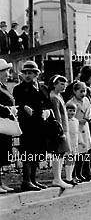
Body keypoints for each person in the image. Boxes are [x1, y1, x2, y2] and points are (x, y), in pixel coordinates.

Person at [13, 61, 51, 191]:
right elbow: (17, 103)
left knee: (38, 151)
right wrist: (24, 107)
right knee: (28, 152)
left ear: (36, 74)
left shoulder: (42, 88)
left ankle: (34, 179)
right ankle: (26, 180)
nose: (28, 76)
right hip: (27, 124)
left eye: (31, 73)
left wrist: (47, 111)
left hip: (40, 124)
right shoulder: (19, 88)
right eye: (25, 73)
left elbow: (48, 103)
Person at [47, 75, 72, 189]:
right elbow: (57, 116)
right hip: (59, 129)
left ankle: (58, 178)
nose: (64, 86)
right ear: (54, 84)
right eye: (61, 84)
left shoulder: (59, 96)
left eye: (64, 84)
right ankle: (57, 178)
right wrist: (60, 130)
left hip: (63, 128)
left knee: (61, 153)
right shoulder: (54, 97)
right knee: (58, 153)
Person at [66, 81, 91, 182]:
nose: (83, 94)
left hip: (85, 127)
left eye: (84, 91)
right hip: (75, 129)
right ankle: (74, 174)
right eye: (81, 91)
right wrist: (78, 121)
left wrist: (88, 118)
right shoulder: (71, 103)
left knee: (85, 151)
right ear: (74, 91)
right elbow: (68, 117)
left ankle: (81, 172)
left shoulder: (86, 100)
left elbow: (89, 112)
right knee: (76, 153)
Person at [0, 59, 15, 192]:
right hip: (1, 121)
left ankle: (0, 183)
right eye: (6, 71)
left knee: (2, 153)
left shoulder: (2, 86)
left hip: (5, 123)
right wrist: (8, 109)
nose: (8, 74)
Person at [65, 102, 80, 185]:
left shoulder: (76, 121)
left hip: (75, 143)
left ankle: (71, 176)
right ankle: (68, 177)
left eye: (73, 111)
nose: (72, 113)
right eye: (70, 111)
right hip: (68, 142)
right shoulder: (65, 121)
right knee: (69, 159)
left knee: (73, 160)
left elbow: (77, 132)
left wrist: (80, 141)